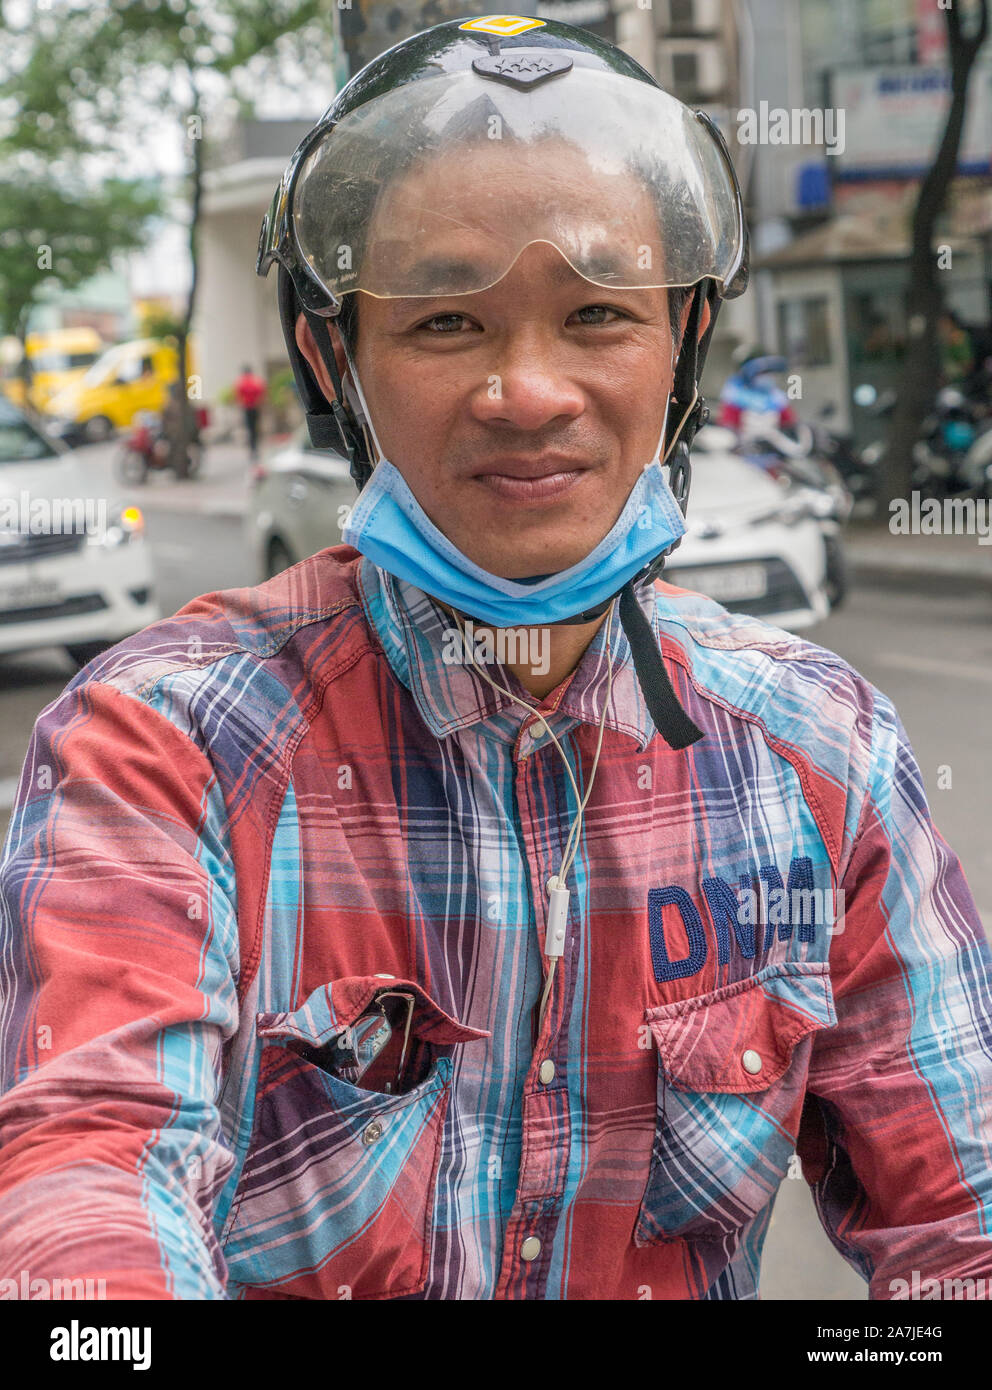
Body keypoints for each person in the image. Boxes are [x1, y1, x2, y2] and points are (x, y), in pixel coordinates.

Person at [0, 14, 990, 1303]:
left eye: (594, 312)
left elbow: (957, 1221)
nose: (527, 391)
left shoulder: (822, 754)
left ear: (682, 345)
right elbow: (86, 1170)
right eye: (447, 323)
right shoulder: (166, 743)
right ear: (330, 358)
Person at [233, 362, 266, 458]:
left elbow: (238, 396)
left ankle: (253, 448)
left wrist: (242, 405)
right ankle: (256, 447)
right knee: (255, 428)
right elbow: (261, 393)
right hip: (255, 408)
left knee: (250, 429)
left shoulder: (241, 382)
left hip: (247, 408)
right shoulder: (256, 381)